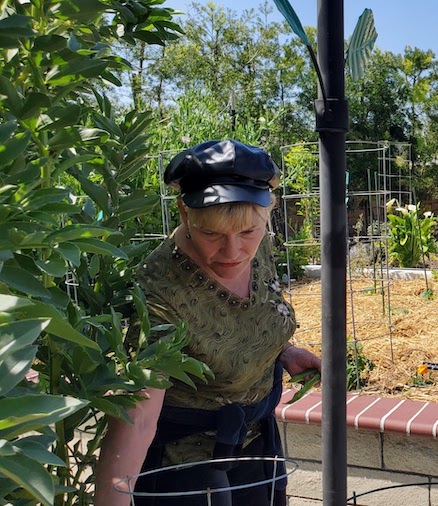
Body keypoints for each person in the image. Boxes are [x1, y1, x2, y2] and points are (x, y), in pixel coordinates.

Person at [93, 139, 321, 506]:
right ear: (185, 213)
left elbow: (241, 318)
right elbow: (136, 419)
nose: (233, 252)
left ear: (267, 213)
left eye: (248, 232)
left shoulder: (253, 236)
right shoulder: (160, 292)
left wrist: (282, 351)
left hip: (255, 448)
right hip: (185, 473)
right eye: (211, 233)